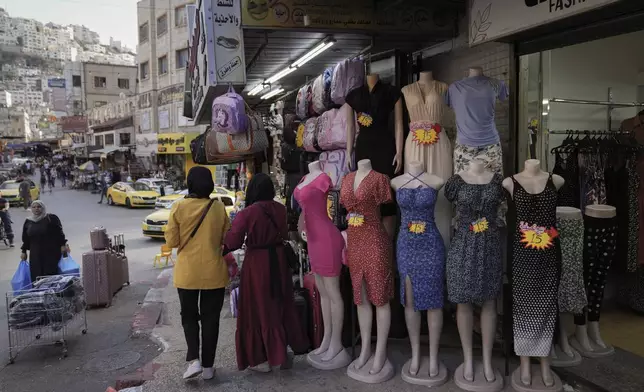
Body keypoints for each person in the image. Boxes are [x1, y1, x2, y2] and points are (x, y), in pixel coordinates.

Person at [223, 173, 309, 372]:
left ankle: (263, 358)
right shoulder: (280, 209)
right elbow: (285, 234)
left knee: (257, 308)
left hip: (257, 264)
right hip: (278, 261)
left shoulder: (248, 213)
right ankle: (282, 352)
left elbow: (233, 241)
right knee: (281, 302)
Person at [165, 166, 234, 380]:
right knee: (211, 319)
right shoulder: (218, 207)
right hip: (214, 272)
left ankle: (193, 360)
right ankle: (208, 367)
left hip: (187, 274)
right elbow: (227, 237)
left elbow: (172, 242)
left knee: (189, 317)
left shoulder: (178, 207)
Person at [21, 201, 67, 282]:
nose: (36, 209)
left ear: (43, 208)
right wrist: (23, 251)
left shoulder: (51, 218)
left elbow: (59, 233)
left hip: (51, 252)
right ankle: (39, 293)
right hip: (35, 253)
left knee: (50, 274)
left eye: (39, 207)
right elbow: (25, 238)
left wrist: (63, 245)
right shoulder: (28, 221)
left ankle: (53, 292)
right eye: (34, 207)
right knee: (36, 275)